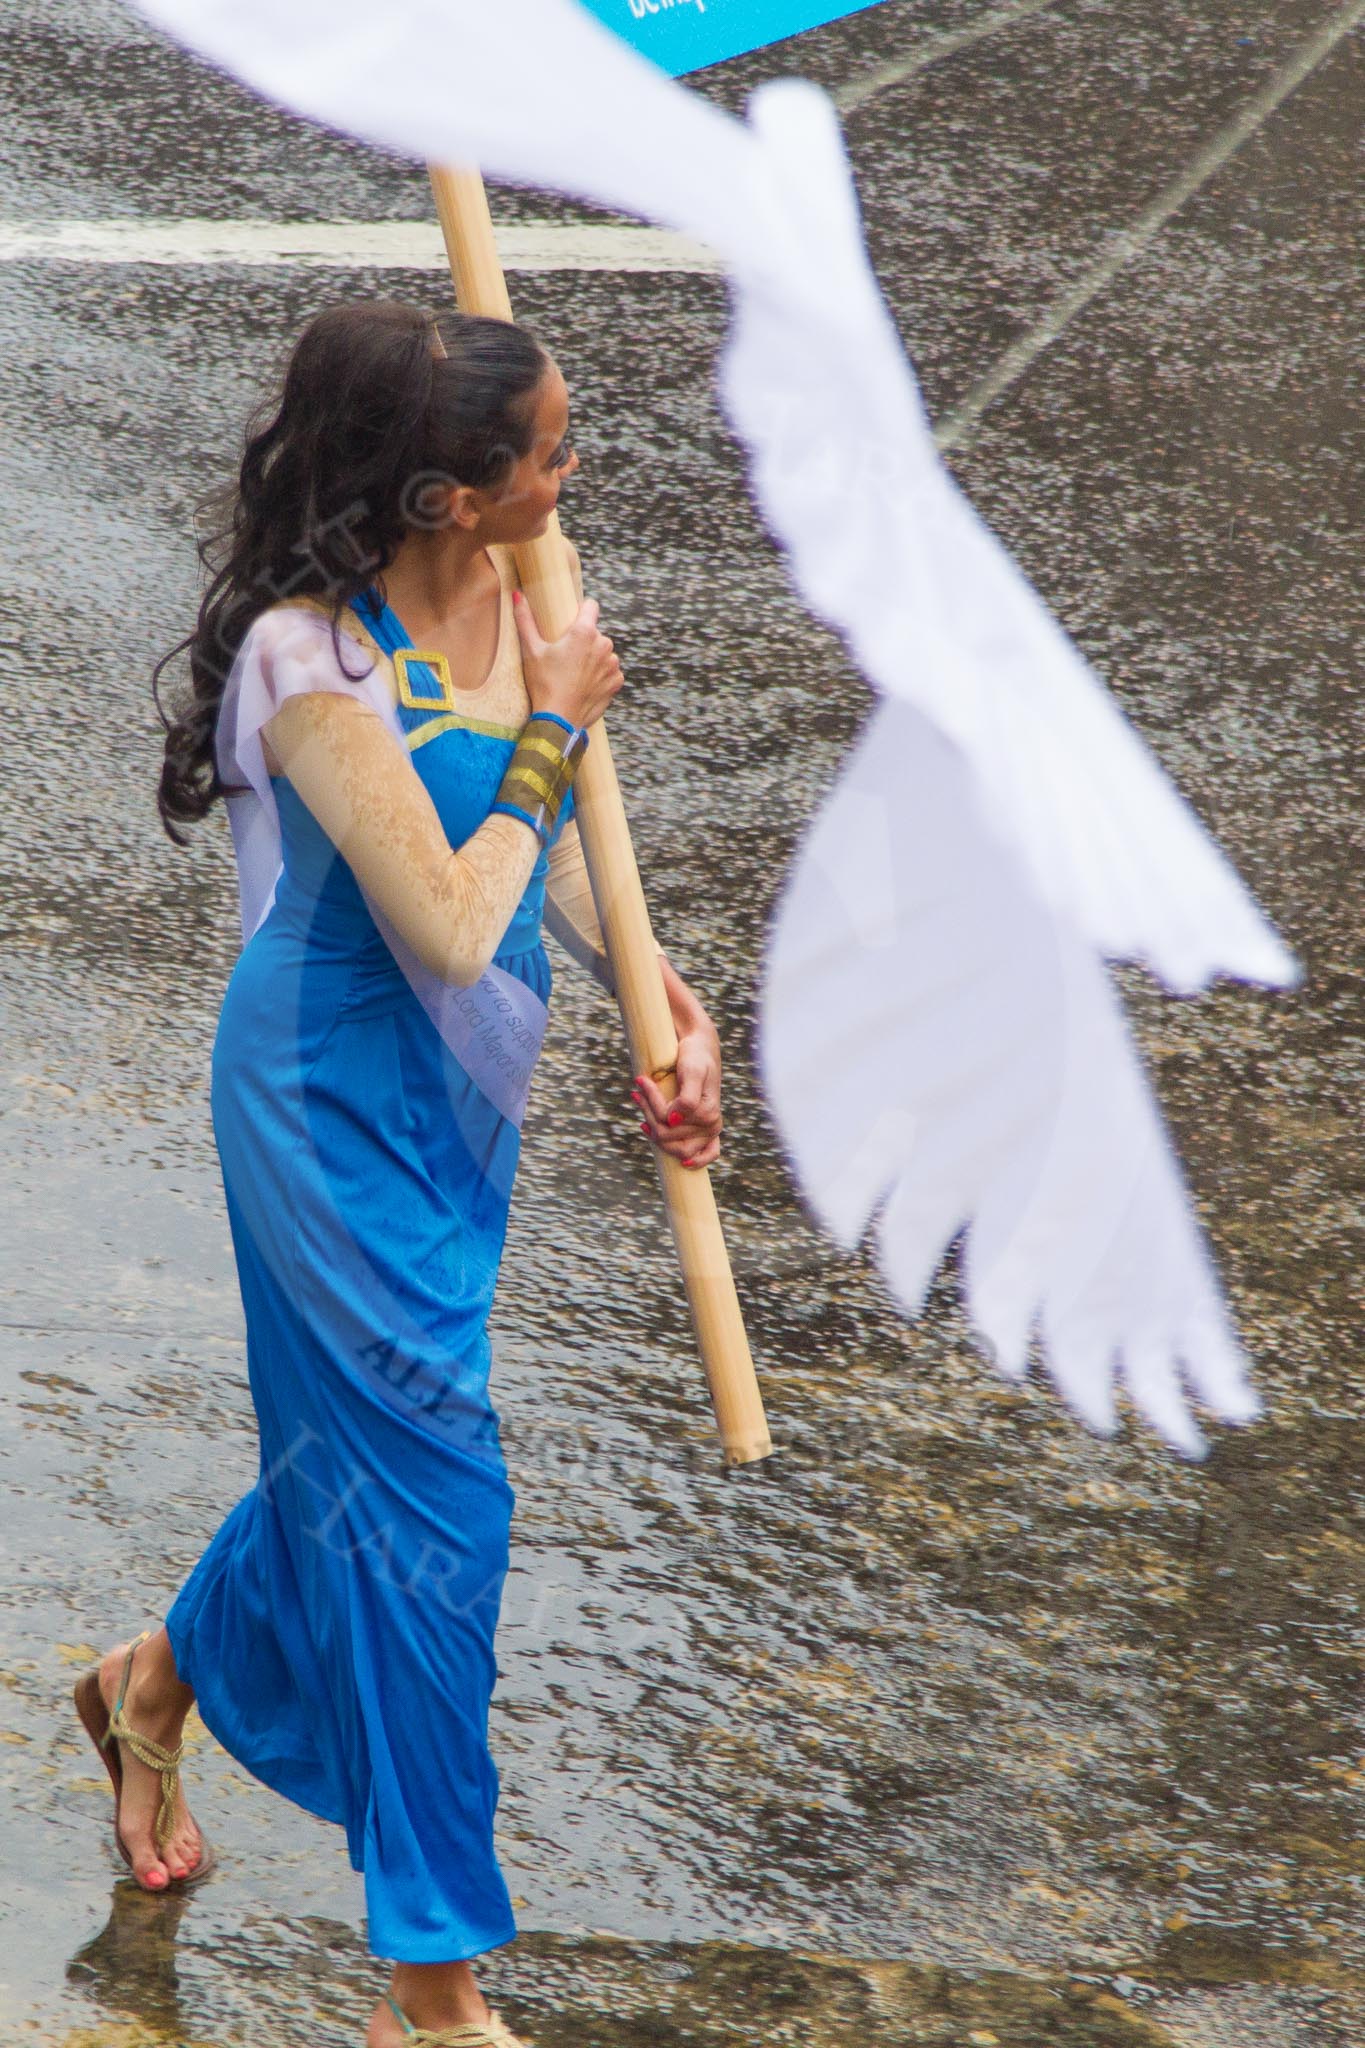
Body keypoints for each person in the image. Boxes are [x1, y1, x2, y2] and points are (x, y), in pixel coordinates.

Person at [73, 301, 725, 2048]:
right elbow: (441, 916)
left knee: (359, 1463)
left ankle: (151, 1683)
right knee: (438, 1507)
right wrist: (553, 728)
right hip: (320, 1099)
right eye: (550, 453)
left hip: (460, 1105)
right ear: (448, 493)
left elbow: (558, 867)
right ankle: (430, 1992)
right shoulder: (311, 660)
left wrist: (657, 999)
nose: (572, 472)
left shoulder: (533, 590)